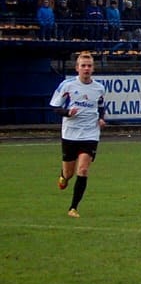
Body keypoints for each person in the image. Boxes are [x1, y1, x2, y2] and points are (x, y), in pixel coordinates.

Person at [49, 51, 106, 218]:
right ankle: (63, 176)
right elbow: (55, 107)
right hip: (70, 133)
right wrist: (67, 113)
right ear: (77, 68)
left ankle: (73, 208)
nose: (86, 69)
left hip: (90, 134)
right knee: (69, 173)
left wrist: (101, 119)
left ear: (93, 68)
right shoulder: (67, 86)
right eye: (83, 66)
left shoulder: (99, 88)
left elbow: (101, 106)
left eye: (89, 66)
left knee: (83, 169)